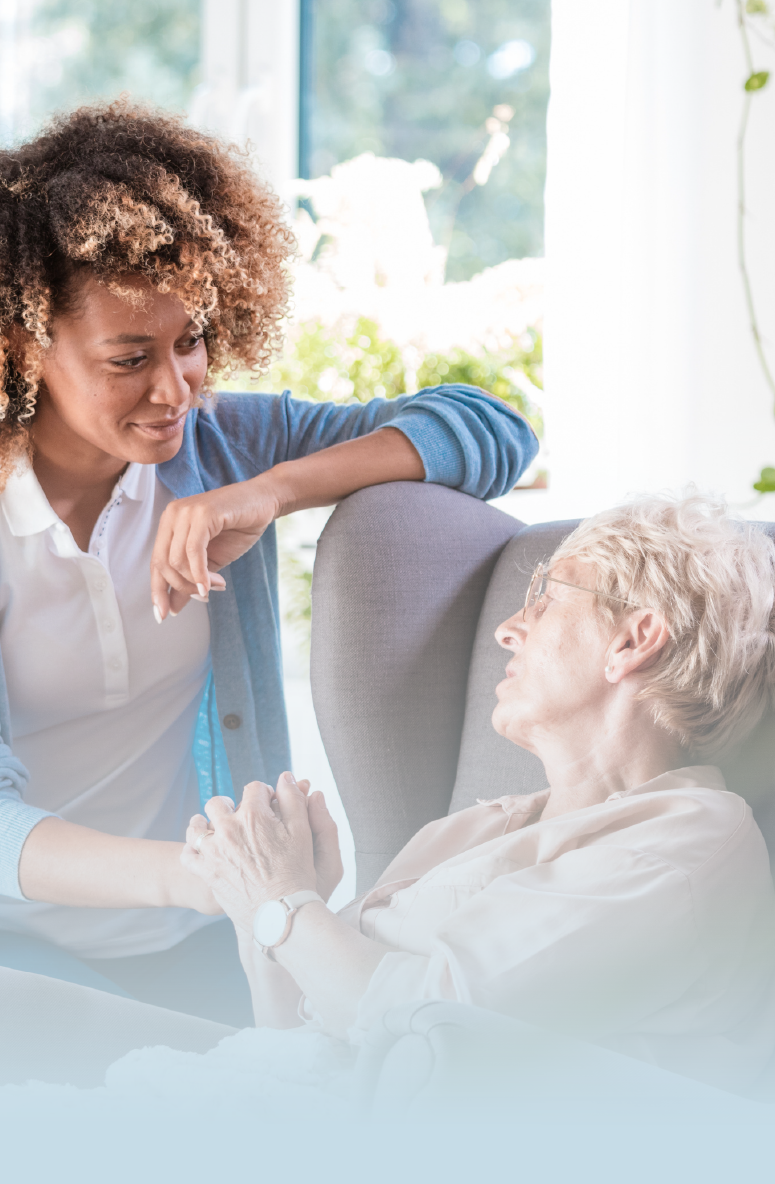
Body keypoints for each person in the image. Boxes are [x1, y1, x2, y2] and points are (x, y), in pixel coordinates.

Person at [0, 100, 538, 1026]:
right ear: (22, 346)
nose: (175, 390)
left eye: (192, 341)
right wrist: (215, 878)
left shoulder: (221, 449)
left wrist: (272, 490)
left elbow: (491, 431)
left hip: (216, 945)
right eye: (129, 358)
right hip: (32, 954)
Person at [183, 493, 775, 1095]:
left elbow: (422, 1029)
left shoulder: (682, 849)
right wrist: (261, 899)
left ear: (633, 639)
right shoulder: (470, 830)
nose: (507, 629)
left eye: (544, 603)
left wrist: (280, 902)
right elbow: (289, 1042)